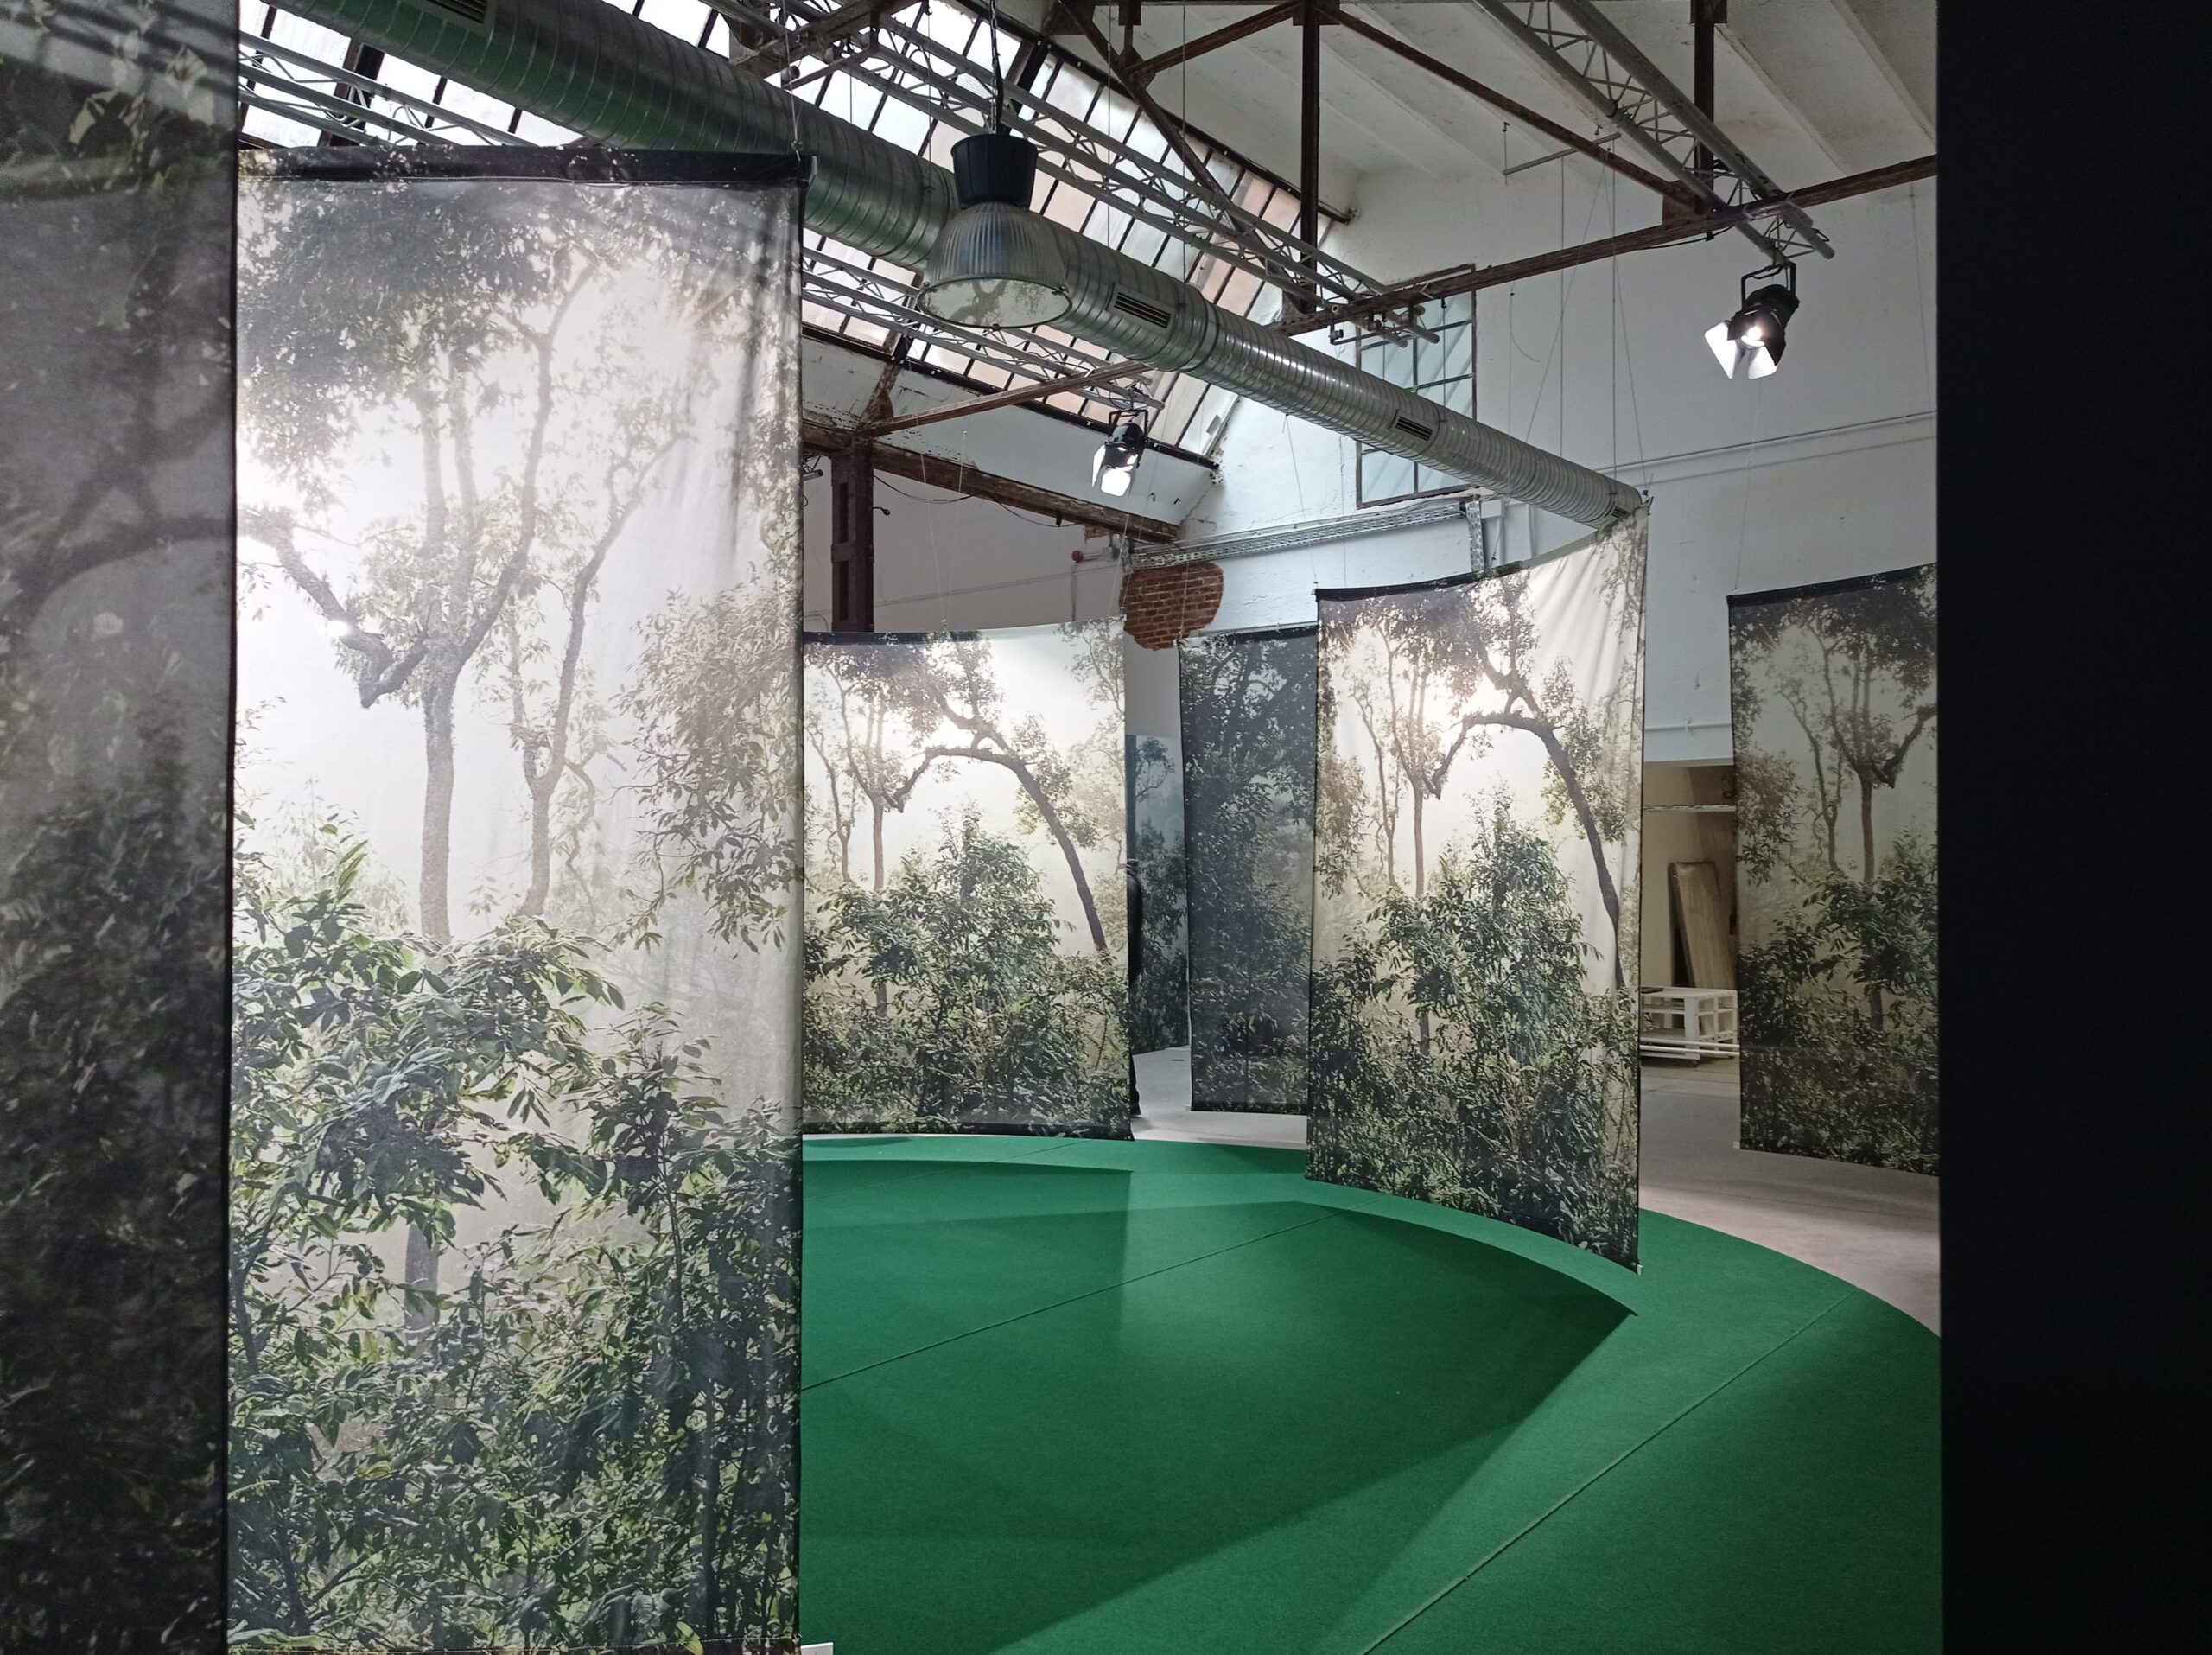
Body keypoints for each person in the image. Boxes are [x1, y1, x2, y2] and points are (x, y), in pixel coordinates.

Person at [1125, 859, 1144, 1116]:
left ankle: (1129, 1096)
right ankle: (1130, 1097)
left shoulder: (1126, 884)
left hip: (1124, 961)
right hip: (1132, 961)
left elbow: (1128, 928)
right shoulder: (1133, 882)